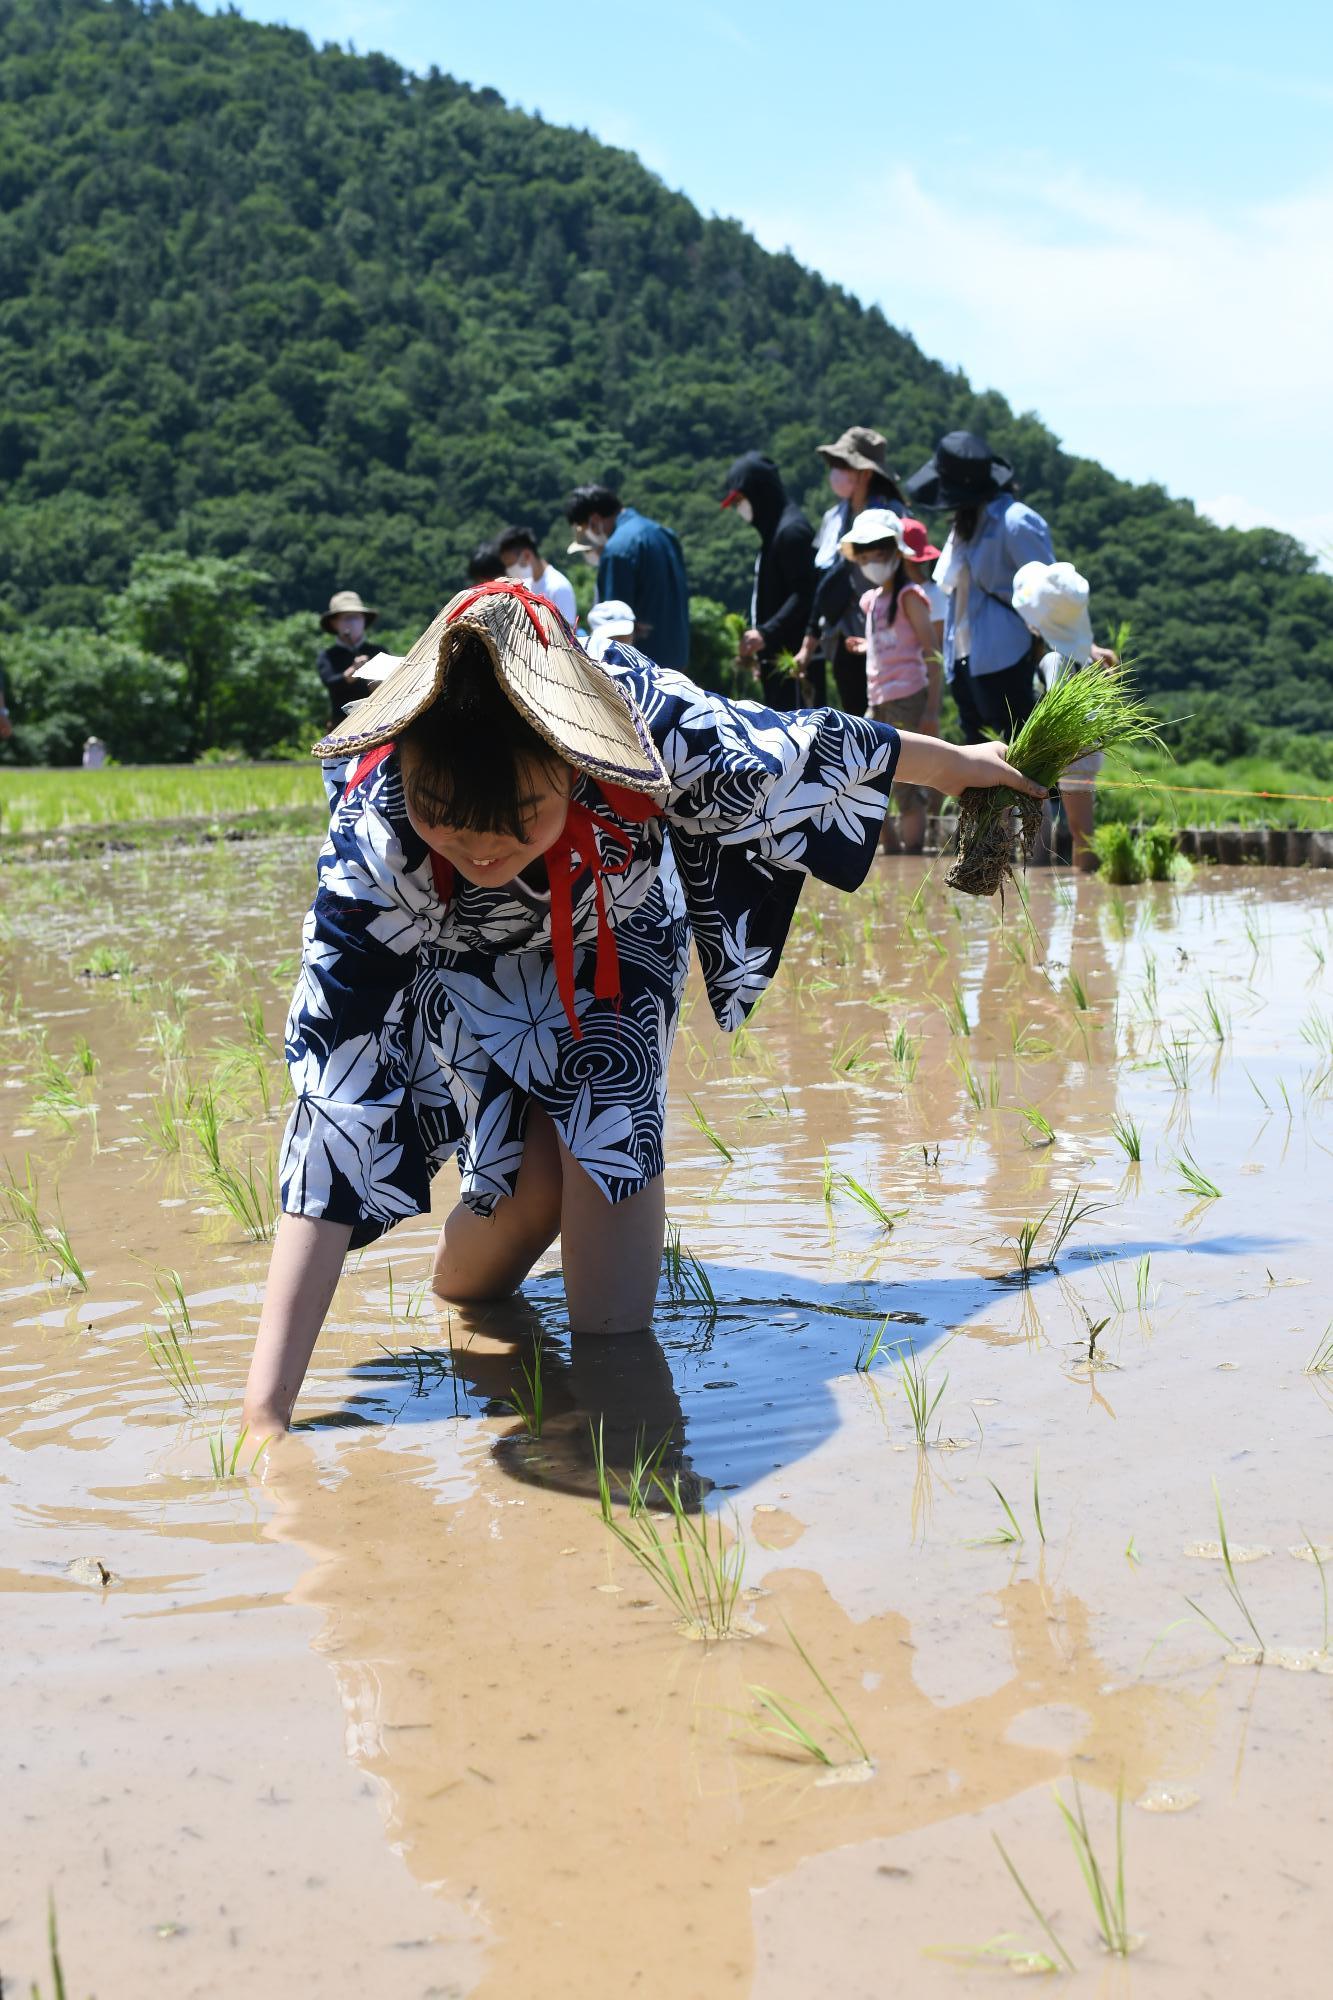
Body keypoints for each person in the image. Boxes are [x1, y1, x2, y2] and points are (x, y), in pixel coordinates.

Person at [239, 580, 1045, 1437]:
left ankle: (616, 1448)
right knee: (524, 1201)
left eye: (518, 820)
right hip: (451, 953)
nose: (480, 850)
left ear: (574, 763)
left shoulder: (654, 731)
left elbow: (805, 749)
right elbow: (333, 1110)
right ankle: (462, 1298)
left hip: (608, 946)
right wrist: (267, 1416)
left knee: (612, 1319)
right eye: (445, 820)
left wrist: (961, 766)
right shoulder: (374, 834)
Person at [904, 431, 1056, 744]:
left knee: (1020, 752)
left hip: (1007, 658)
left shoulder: (1014, 522)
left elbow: (1051, 590)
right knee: (978, 755)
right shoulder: (967, 523)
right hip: (964, 657)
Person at [841, 510, 941, 855]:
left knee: (904, 781)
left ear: (897, 555)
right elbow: (890, 640)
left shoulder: (909, 597)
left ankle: (912, 856)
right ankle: (893, 851)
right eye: (864, 557)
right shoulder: (872, 600)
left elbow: (931, 652)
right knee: (867, 777)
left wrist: (932, 708)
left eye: (878, 556)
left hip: (907, 695)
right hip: (877, 696)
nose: (871, 563)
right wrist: (866, 646)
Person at [1012, 560, 1116, 872]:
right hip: (1084, 747)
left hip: (1071, 750)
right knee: (1082, 829)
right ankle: (1083, 882)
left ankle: (1078, 883)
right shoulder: (1081, 653)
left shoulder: (1054, 659)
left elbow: (1057, 706)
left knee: (1074, 829)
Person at [793, 427, 905, 712]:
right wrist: (809, 644)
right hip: (843, 640)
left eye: (842, 465)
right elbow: (826, 581)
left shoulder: (892, 517)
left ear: (865, 473)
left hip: (888, 639)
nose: (835, 473)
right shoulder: (834, 518)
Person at [720, 452, 819, 709]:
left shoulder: (791, 532)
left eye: (740, 500)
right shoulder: (773, 532)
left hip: (794, 662)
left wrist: (766, 633)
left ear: (759, 493)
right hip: (775, 662)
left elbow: (805, 595)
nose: (738, 508)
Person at [565, 485, 690, 669]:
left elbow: (612, 628)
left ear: (594, 521)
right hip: (677, 661)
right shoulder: (664, 534)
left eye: (582, 530)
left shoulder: (617, 549)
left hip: (643, 670)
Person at [315, 590, 379, 728]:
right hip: (342, 727)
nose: (353, 622)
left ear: (364, 620)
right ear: (334, 623)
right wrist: (353, 671)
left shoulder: (378, 652)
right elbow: (331, 682)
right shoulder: (328, 656)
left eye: (357, 617)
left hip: (379, 724)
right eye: (347, 618)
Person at [496, 524, 578, 627]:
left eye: (510, 564)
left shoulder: (558, 587)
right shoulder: (525, 586)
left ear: (527, 555)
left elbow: (568, 634)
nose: (508, 571)